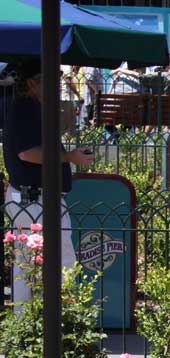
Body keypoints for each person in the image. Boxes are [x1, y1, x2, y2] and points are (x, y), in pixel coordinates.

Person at [2, 59, 94, 304]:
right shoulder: (25, 109)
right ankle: (57, 325)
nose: (58, 85)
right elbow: (27, 152)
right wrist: (68, 157)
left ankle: (41, 325)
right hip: (33, 199)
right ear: (33, 83)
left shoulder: (35, 108)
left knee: (33, 266)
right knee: (55, 264)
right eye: (52, 79)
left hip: (39, 198)